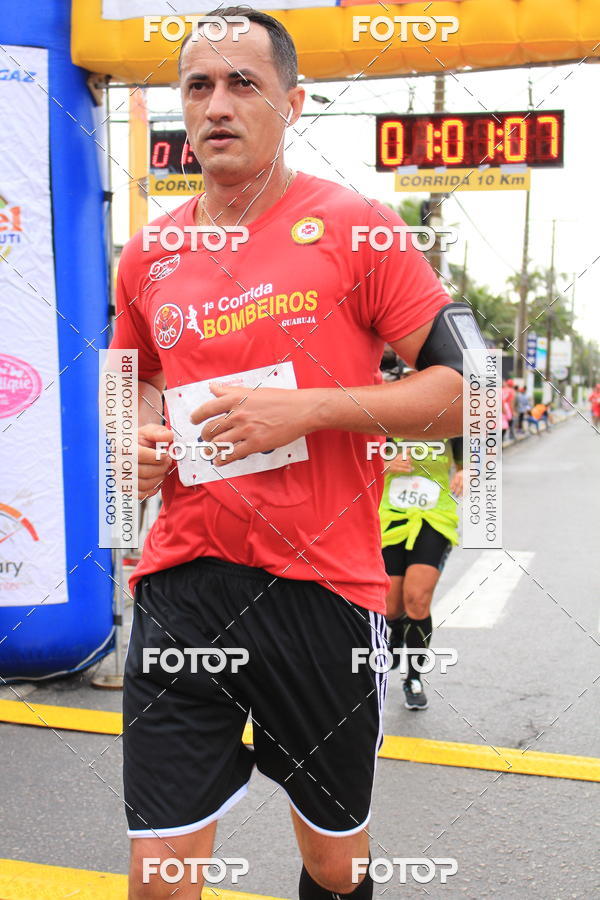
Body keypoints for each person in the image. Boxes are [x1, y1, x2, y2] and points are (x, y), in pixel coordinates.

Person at [109, 9, 481, 898]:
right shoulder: (150, 253)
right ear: (182, 109)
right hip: (181, 585)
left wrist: (309, 410)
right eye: (199, 86)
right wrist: (133, 439)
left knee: (334, 864)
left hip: (321, 596)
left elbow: (467, 392)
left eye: (245, 83)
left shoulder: (359, 228)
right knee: (158, 876)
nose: (219, 105)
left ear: (294, 102)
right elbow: (134, 381)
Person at [379, 405, 463, 710]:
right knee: (391, 605)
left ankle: (413, 676)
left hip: (434, 517)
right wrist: (382, 462)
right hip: (390, 516)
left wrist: (467, 470)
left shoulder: (451, 412)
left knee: (417, 599)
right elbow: (351, 457)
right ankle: (397, 631)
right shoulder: (383, 411)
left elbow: (474, 452)